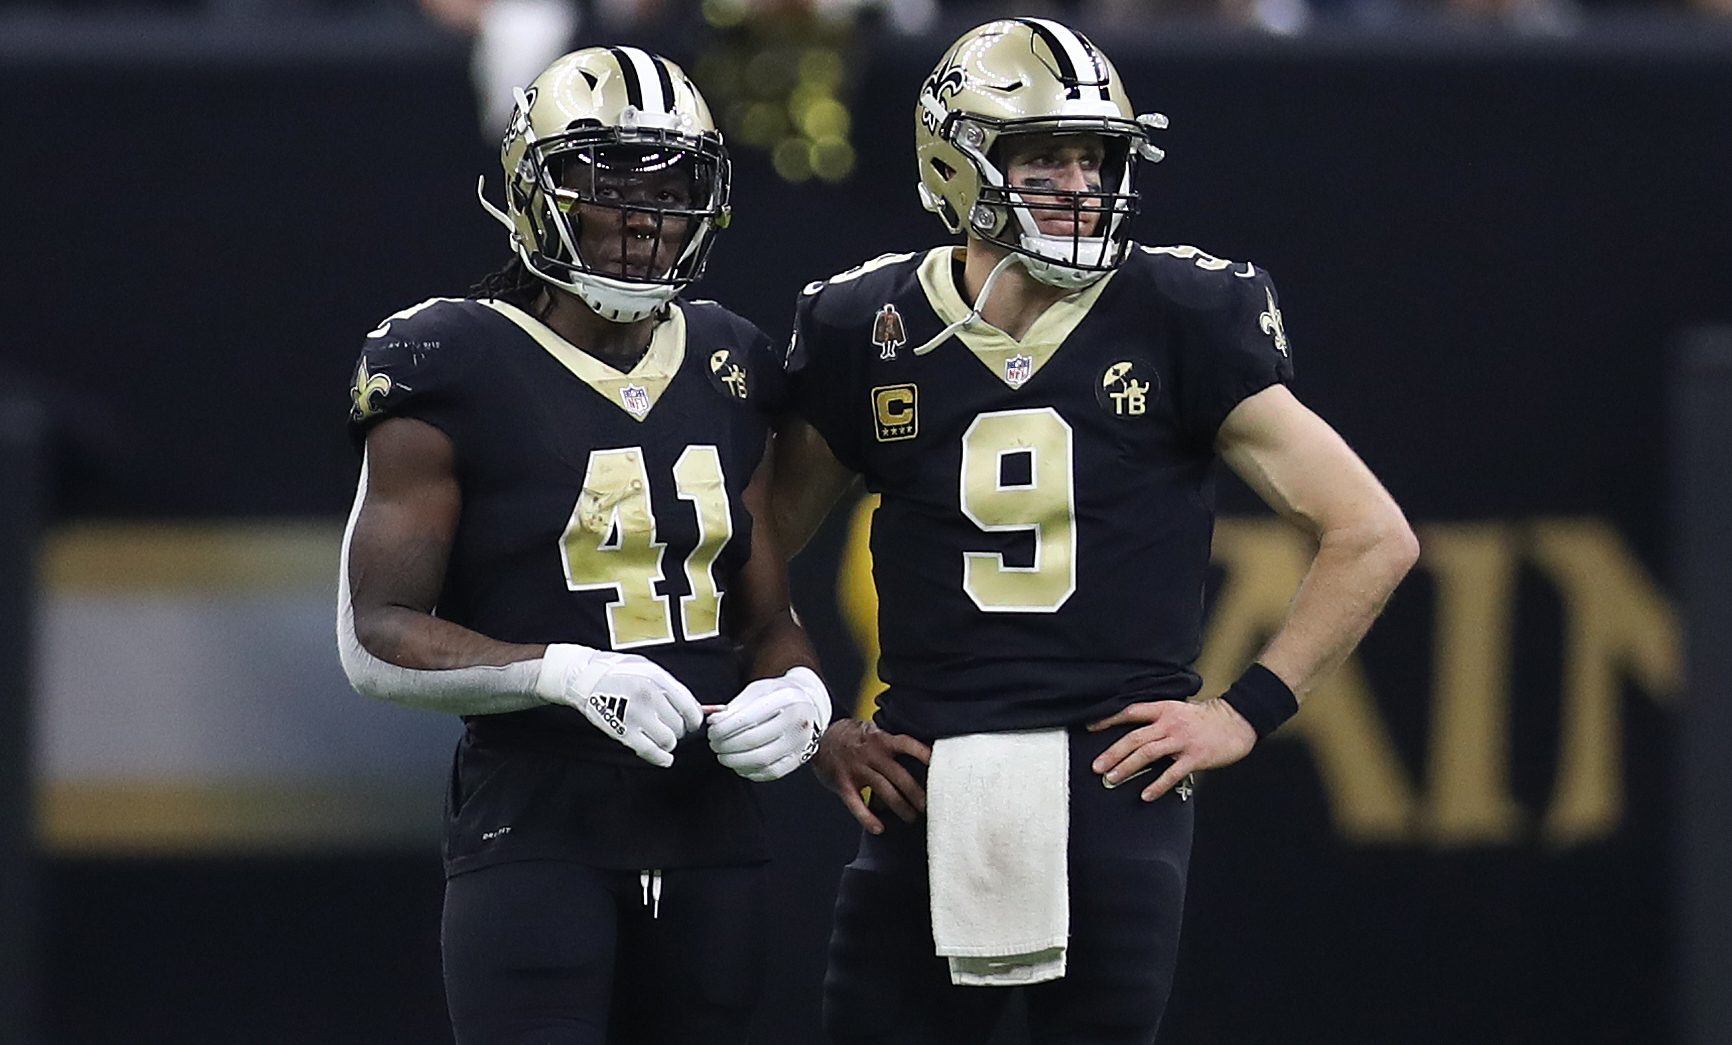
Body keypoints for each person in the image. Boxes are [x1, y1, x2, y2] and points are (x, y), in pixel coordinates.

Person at [770, 17, 1419, 1045]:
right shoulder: (869, 325)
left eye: (1094, 158)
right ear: (957, 164)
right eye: (1043, 160)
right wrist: (812, 718)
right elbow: (747, 548)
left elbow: (1371, 532)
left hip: (1114, 775)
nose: (1079, 185)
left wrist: (1244, 710)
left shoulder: (1177, 309)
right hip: (924, 772)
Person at [336, 46, 832, 1045]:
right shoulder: (450, 355)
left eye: (671, 188)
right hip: (537, 822)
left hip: (709, 829)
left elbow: (764, 619)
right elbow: (373, 637)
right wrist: (562, 674)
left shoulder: (730, 356)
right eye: (609, 185)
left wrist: (801, 691)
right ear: (534, 192)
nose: (645, 217)